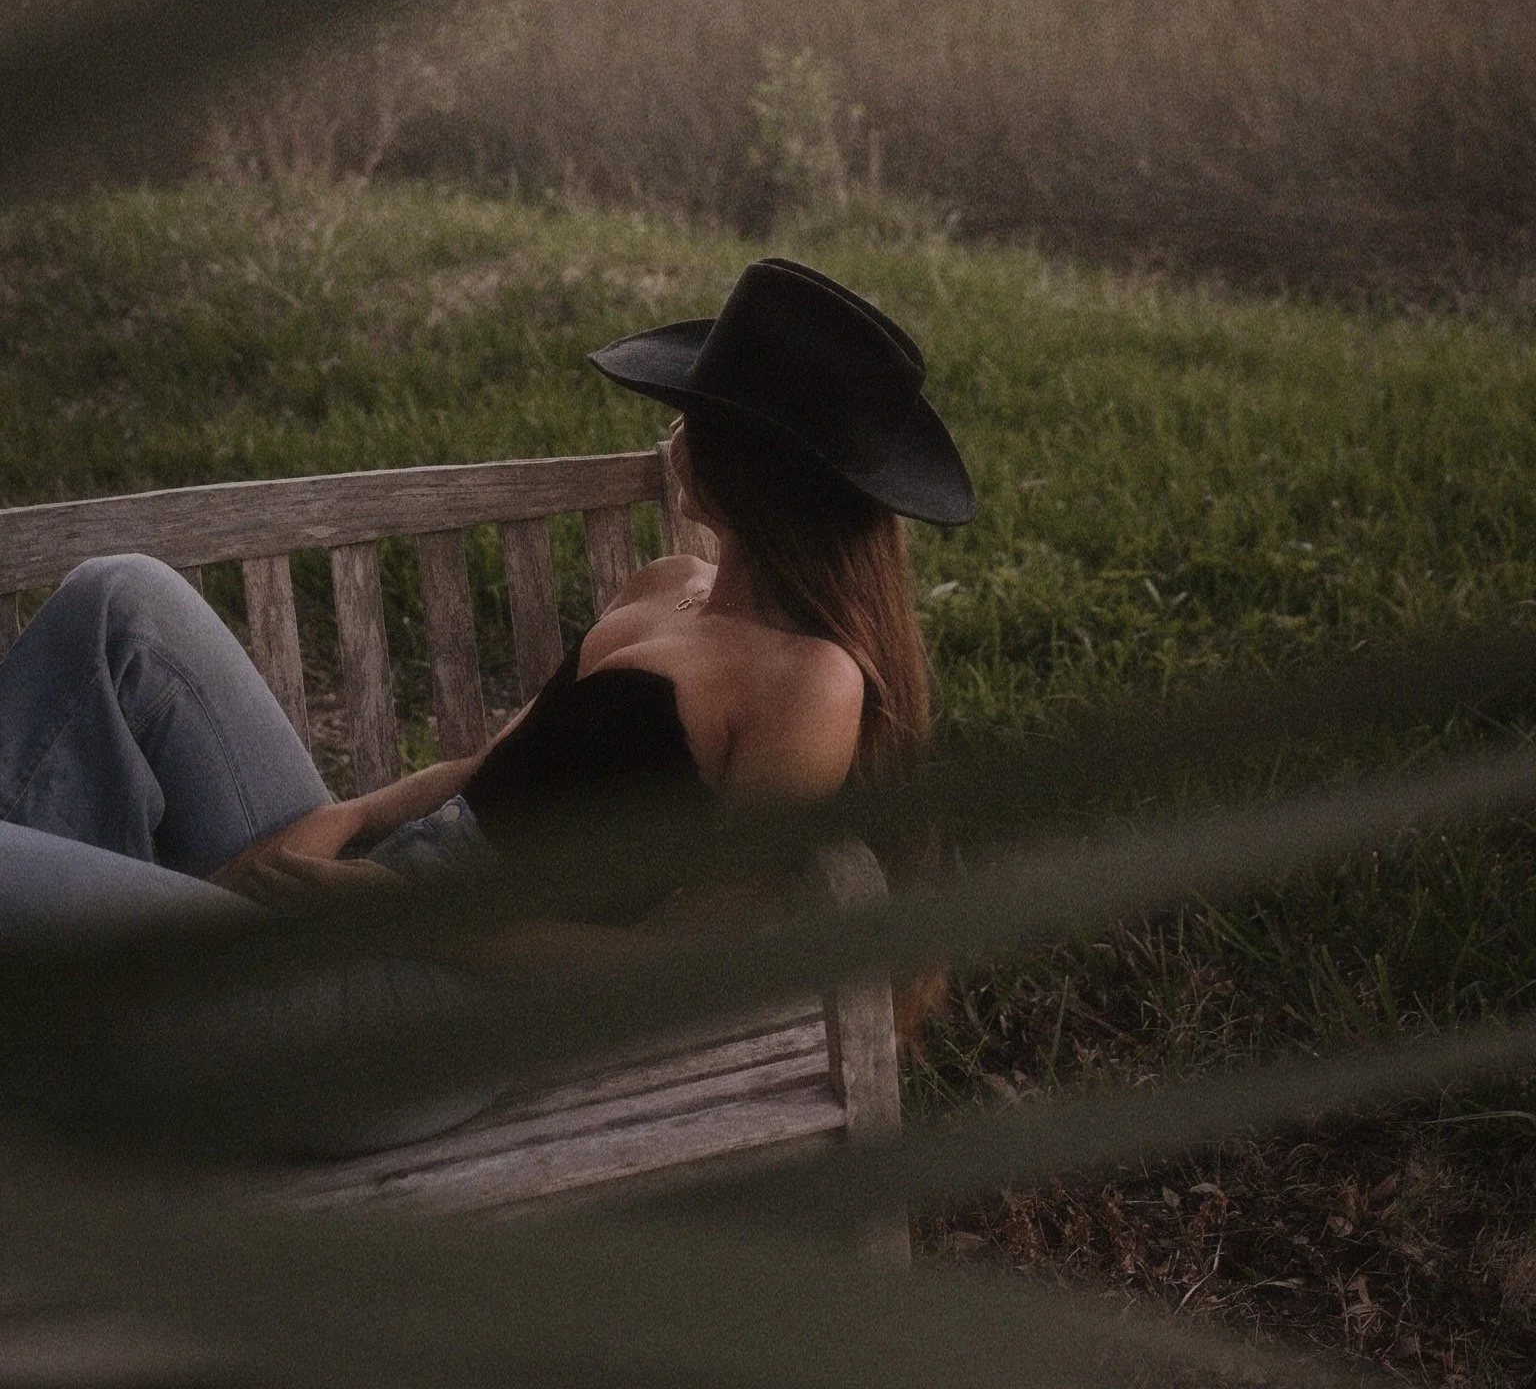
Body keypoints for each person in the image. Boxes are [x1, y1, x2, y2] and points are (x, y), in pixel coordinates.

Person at [0, 258, 973, 1144]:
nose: (671, 430)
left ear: (755, 466)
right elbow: (492, 772)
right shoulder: (667, 584)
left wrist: (401, 920)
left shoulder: (810, 683)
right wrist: (341, 820)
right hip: (367, 898)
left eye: (694, 413)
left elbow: (682, 967)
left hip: (414, 1020)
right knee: (122, 598)